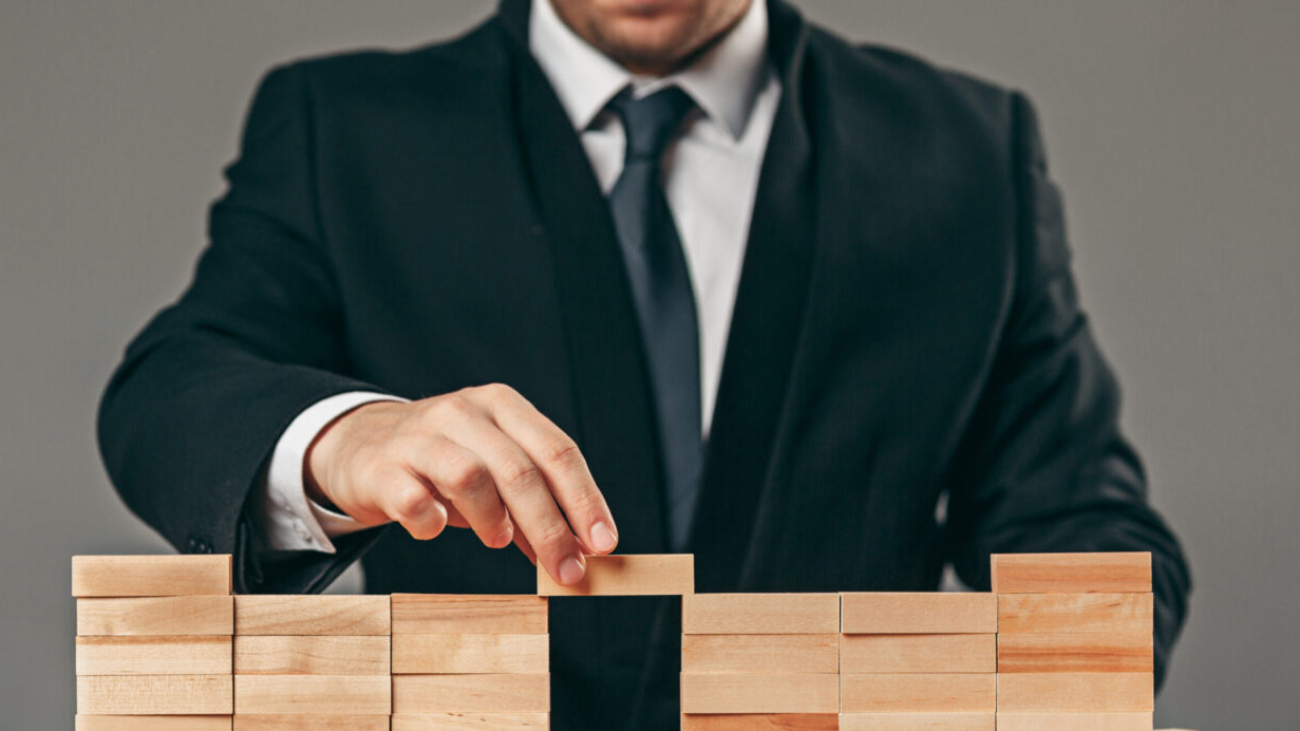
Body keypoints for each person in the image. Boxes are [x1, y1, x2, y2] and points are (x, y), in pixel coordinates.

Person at [97, 0, 1191, 728]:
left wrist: (1041, 670)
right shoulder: (341, 125)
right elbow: (170, 389)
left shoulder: (963, 149)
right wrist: (345, 433)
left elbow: (1087, 532)